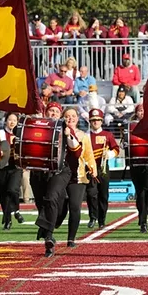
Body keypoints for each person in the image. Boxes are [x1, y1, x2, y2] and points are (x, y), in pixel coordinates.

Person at [37, 107, 97, 257]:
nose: (70, 118)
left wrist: (93, 168)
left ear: (78, 118)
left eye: (73, 116)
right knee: (58, 205)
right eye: (67, 116)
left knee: (75, 206)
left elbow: (87, 154)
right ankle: (49, 228)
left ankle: (71, 238)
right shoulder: (55, 131)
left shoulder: (82, 135)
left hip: (77, 175)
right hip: (58, 174)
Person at [85, 104, 119, 229]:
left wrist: (109, 154)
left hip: (103, 168)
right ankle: (93, 217)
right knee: (91, 194)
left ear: (101, 121)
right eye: (93, 120)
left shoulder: (108, 135)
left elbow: (116, 149)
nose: (96, 122)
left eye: (98, 120)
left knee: (103, 194)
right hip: (90, 168)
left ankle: (102, 220)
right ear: (90, 122)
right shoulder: (85, 135)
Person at [129, 103, 148, 233]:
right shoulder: (130, 127)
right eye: (140, 111)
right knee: (140, 192)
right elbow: (127, 144)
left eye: (144, 111)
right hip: (135, 162)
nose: (142, 113)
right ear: (136, 113)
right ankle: (143, 222)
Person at [0, 112, 24, 229]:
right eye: (9, 119)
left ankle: (16, 210)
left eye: (14, 120)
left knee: (13, 190)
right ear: (6, 121)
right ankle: (7, 220)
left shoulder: (21, 134)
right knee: (4, 195)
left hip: (16, 167)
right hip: (2, 167)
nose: (12, 122)